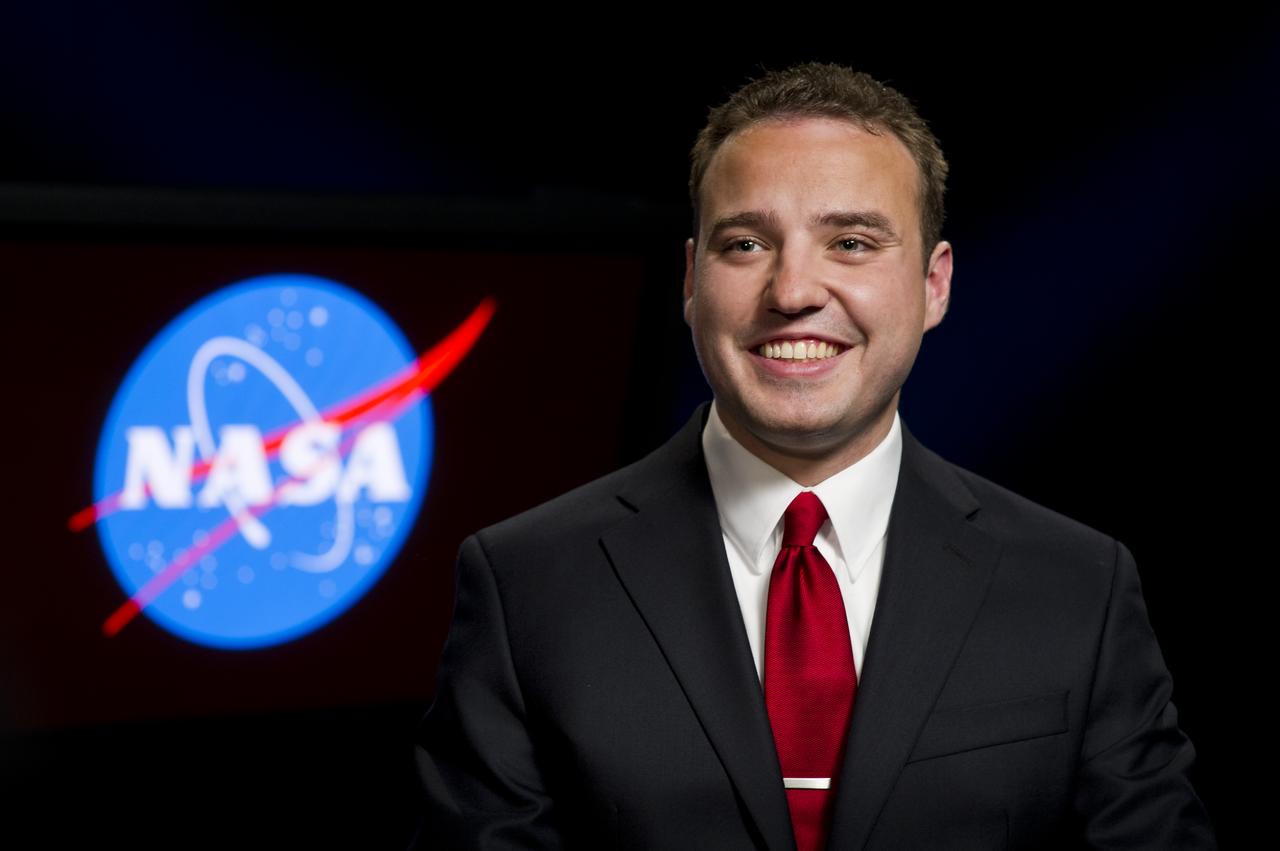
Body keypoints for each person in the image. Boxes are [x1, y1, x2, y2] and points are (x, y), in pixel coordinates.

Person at [411, 62, 1216, 850]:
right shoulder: (524, 585)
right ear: (692, 280)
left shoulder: (1081, 586)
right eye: (748, 243)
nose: (793, 290)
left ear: (934, 285)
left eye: (853, 242)